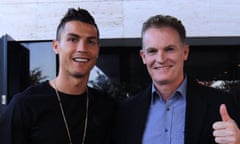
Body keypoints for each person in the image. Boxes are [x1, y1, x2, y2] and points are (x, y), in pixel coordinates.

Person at [112, 14, 240, 144]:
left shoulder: (219, 104)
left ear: (185, 52)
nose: (161, 59)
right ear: (143, 56)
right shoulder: (127, 111)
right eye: (152, 51)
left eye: (169, 49)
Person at [0, 7, 115, 144]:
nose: (82, 48)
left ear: (97, 50)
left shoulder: (108, 107)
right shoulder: (24, 106)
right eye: (73, 39)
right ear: (56, 46)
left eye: (90, 42)